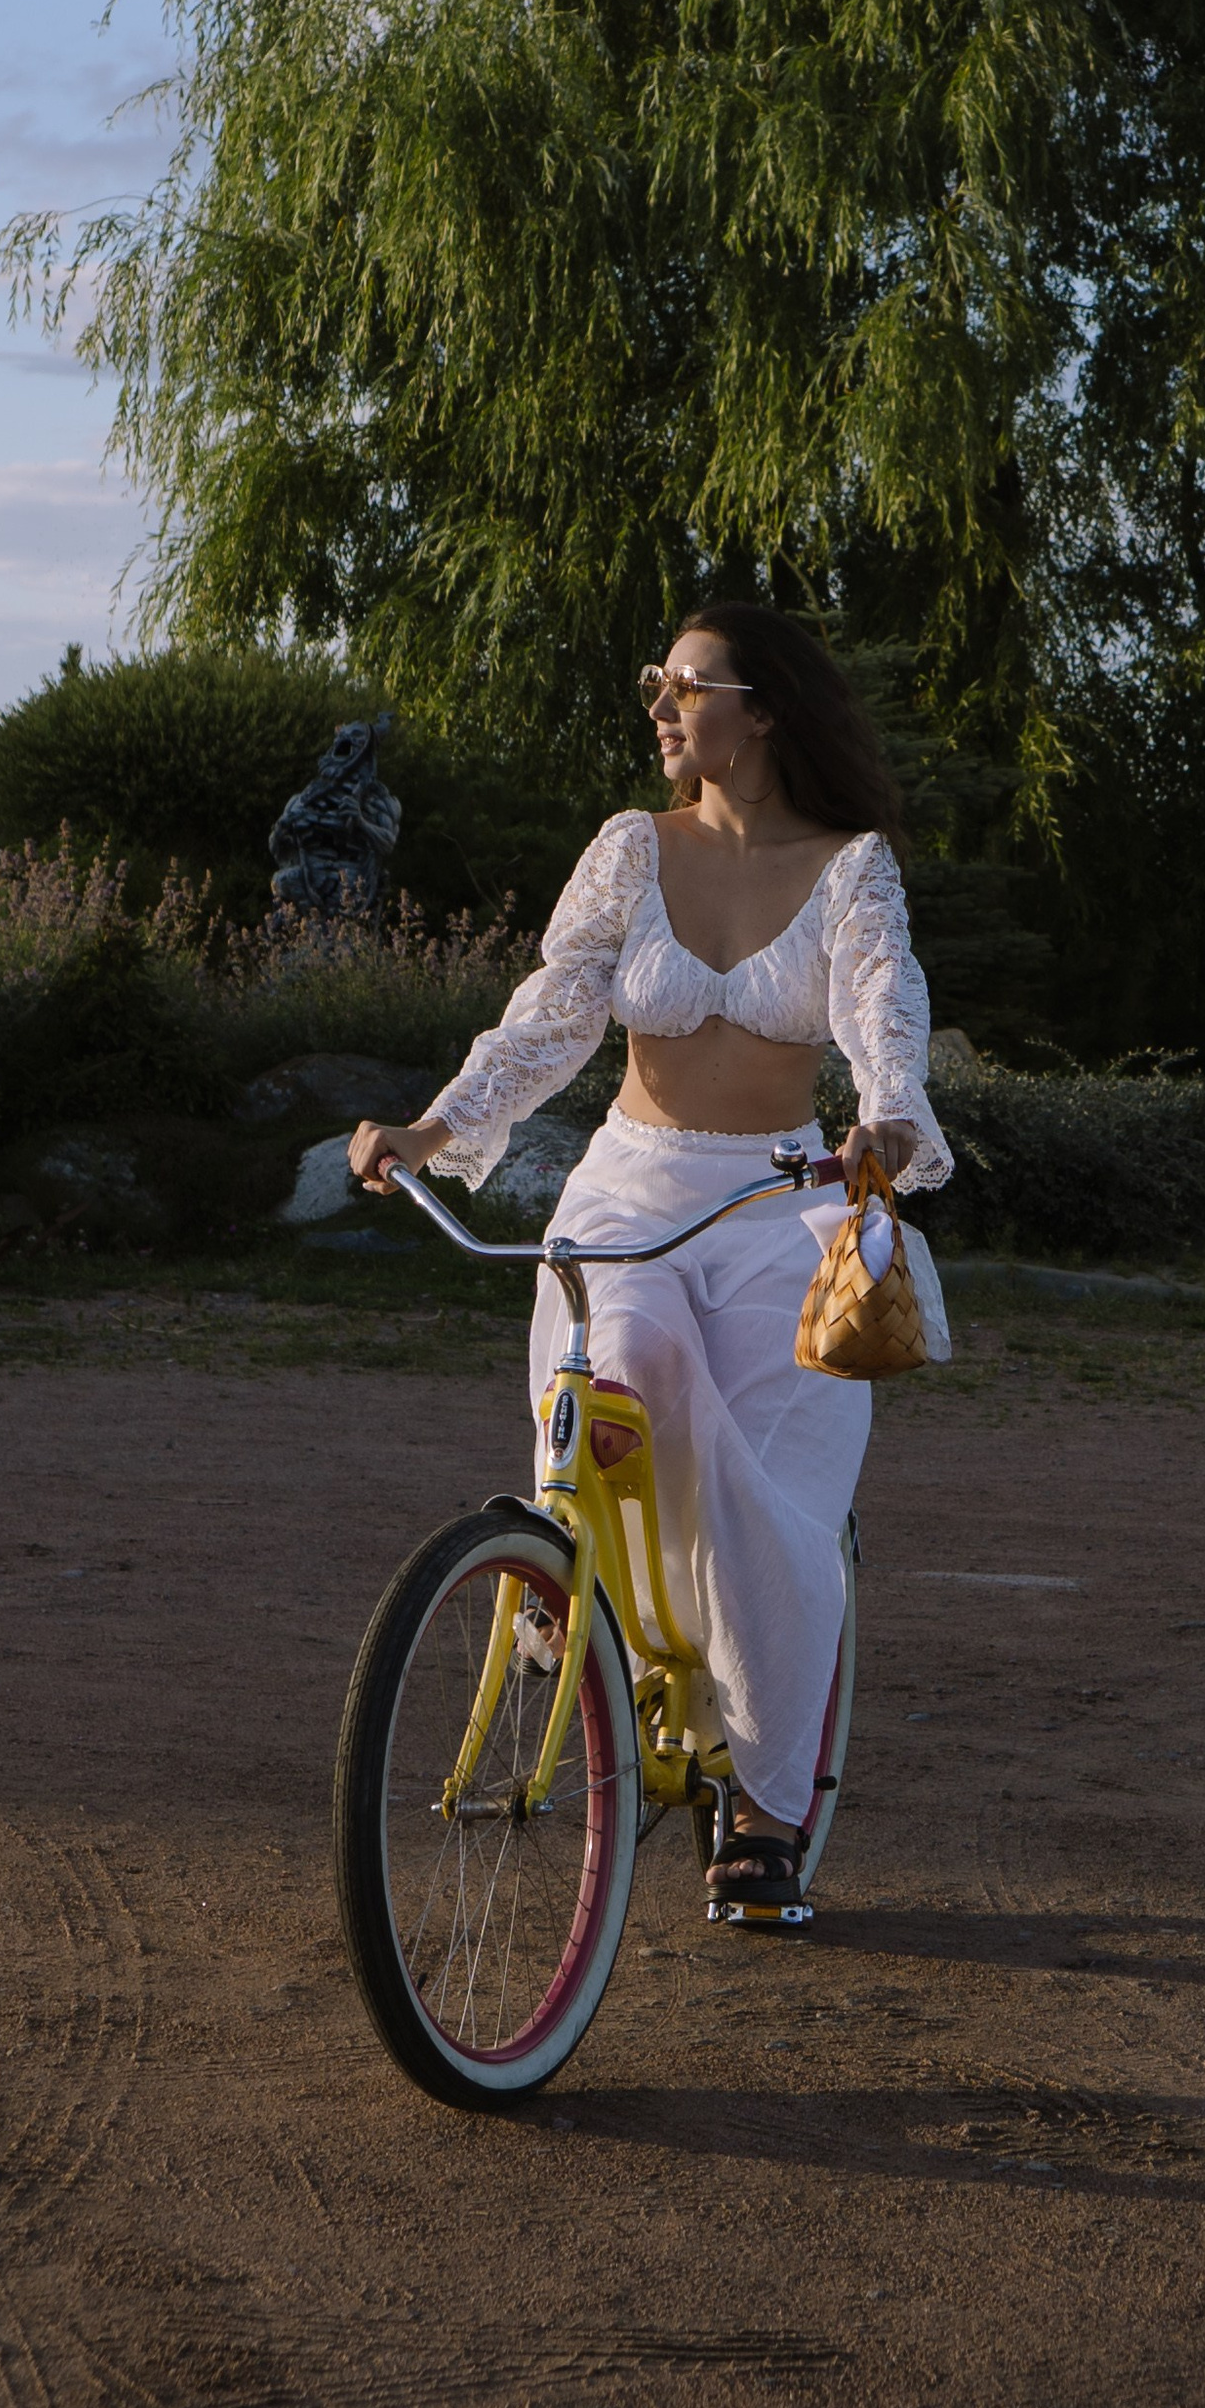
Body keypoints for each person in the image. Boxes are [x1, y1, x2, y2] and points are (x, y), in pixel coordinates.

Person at [348, 604, 948, 1924]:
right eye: (655, 685)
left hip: (780, 1205)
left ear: (766, 709)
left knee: (780, 1516)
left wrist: (891, 1115)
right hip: (630, 1187)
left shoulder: (849, 868)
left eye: (687, 684)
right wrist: (433, 1128)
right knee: (625, 1371)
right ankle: (581, 1593)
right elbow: (547, 1017)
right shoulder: (632, 850)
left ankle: (763, 1807)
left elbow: (883, 1013)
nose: (662, 707)